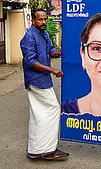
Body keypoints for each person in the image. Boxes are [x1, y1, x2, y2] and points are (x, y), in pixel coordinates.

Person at [20, 9, 68, 161]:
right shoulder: (29, 37)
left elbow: (50, 50)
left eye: (44, 19)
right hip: (36, 80)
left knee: (40, 114)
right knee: (53, 109)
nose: (43, 22)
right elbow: (31, 62)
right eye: (39, 20)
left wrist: (59, 53)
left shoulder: (44, 33)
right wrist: (53, 70)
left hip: (43, 79)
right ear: (33, 21)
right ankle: (47, 149)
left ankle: (39, 149)